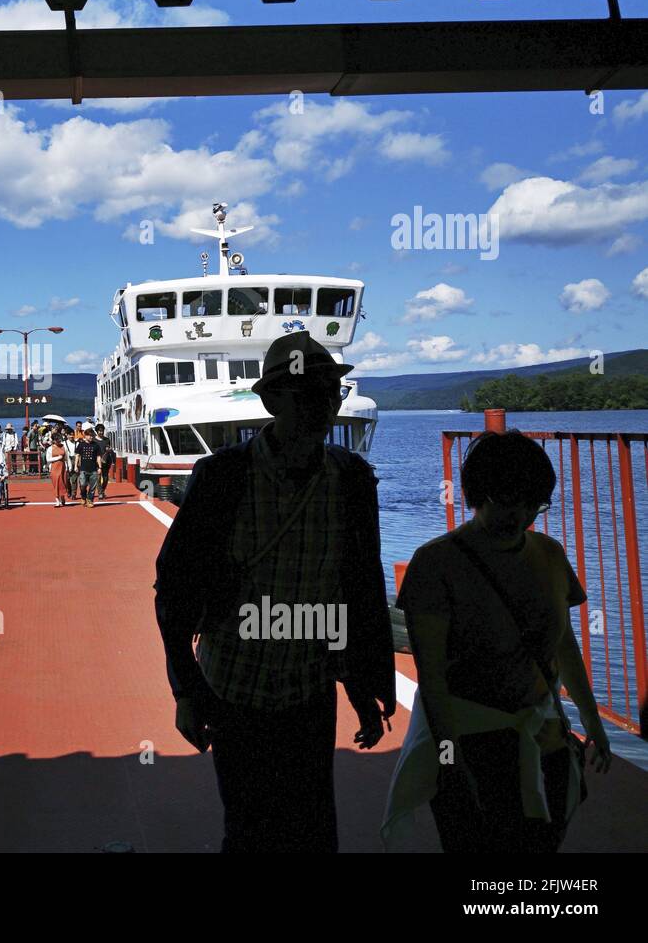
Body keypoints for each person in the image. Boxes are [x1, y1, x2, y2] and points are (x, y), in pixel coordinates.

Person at [153, 331, 395, 853]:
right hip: (234, 685)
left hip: (311, 685)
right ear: (271, 400)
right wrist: (186, 691)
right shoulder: (222, 477)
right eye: (307, 392)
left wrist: (363, 684)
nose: (324, 404)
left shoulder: (353, 478)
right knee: (248, 826)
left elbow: (357, 585)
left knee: (314, 826)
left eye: (332, 391)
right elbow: (174, 585)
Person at [383, 429, 612, 853]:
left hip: (544, 735)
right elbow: (431, 676)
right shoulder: (435, 564)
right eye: (507, 501)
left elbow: (564, 644)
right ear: (477, 493)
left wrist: (591, 721)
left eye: (533, 504)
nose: (521, 515)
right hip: (472, 743)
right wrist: (449, 759)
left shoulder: (550, 553)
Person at [76, 426, 103, 508]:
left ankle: (90, 500)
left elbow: (98, 457)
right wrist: (75, 466)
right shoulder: (81, 445)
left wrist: (100, 467)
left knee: (92, 486)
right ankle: (83, 497)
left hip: (93, 469)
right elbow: (77, 455)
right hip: (83, 469)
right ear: (85, 436)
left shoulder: (96, 445)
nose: (91, 437)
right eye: (89, 435)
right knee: (83, 484)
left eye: (92, 436)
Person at [47, 430, 69, 507]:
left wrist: (68, 466)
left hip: (62, 467)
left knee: (63, 482)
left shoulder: (63, 447)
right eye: (57, 440)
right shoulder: (50, 448)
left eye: (59, 439)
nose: (59, 441)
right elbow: (48, 459)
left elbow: (66, 457)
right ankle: (57, 499)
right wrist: (58, 458)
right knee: (56, 483)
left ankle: (62, 496)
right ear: (53, 440)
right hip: (54, 468)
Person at [96, 424, 114, 499]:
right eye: (99, 431)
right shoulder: (94, 440)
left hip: (106, 461)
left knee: (106, 478)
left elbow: (109, 449)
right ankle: (100, 492)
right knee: (98, 477)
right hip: (96, 461)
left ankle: (102, 490)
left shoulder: (107, 440)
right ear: (97, 431)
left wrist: (109, 450)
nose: (101, 432)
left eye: (102, 431)